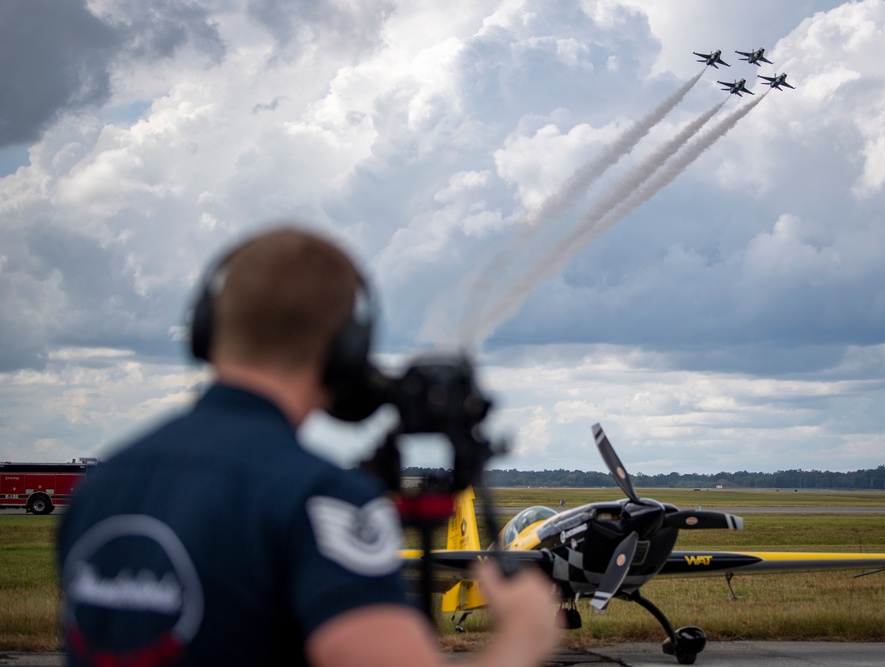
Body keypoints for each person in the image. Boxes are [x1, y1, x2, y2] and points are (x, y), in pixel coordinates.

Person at [57, 226, 559, 667]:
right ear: (348, 349)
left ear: (208, 328)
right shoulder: (319, 499)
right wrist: (522, 637)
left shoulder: (100, 489)